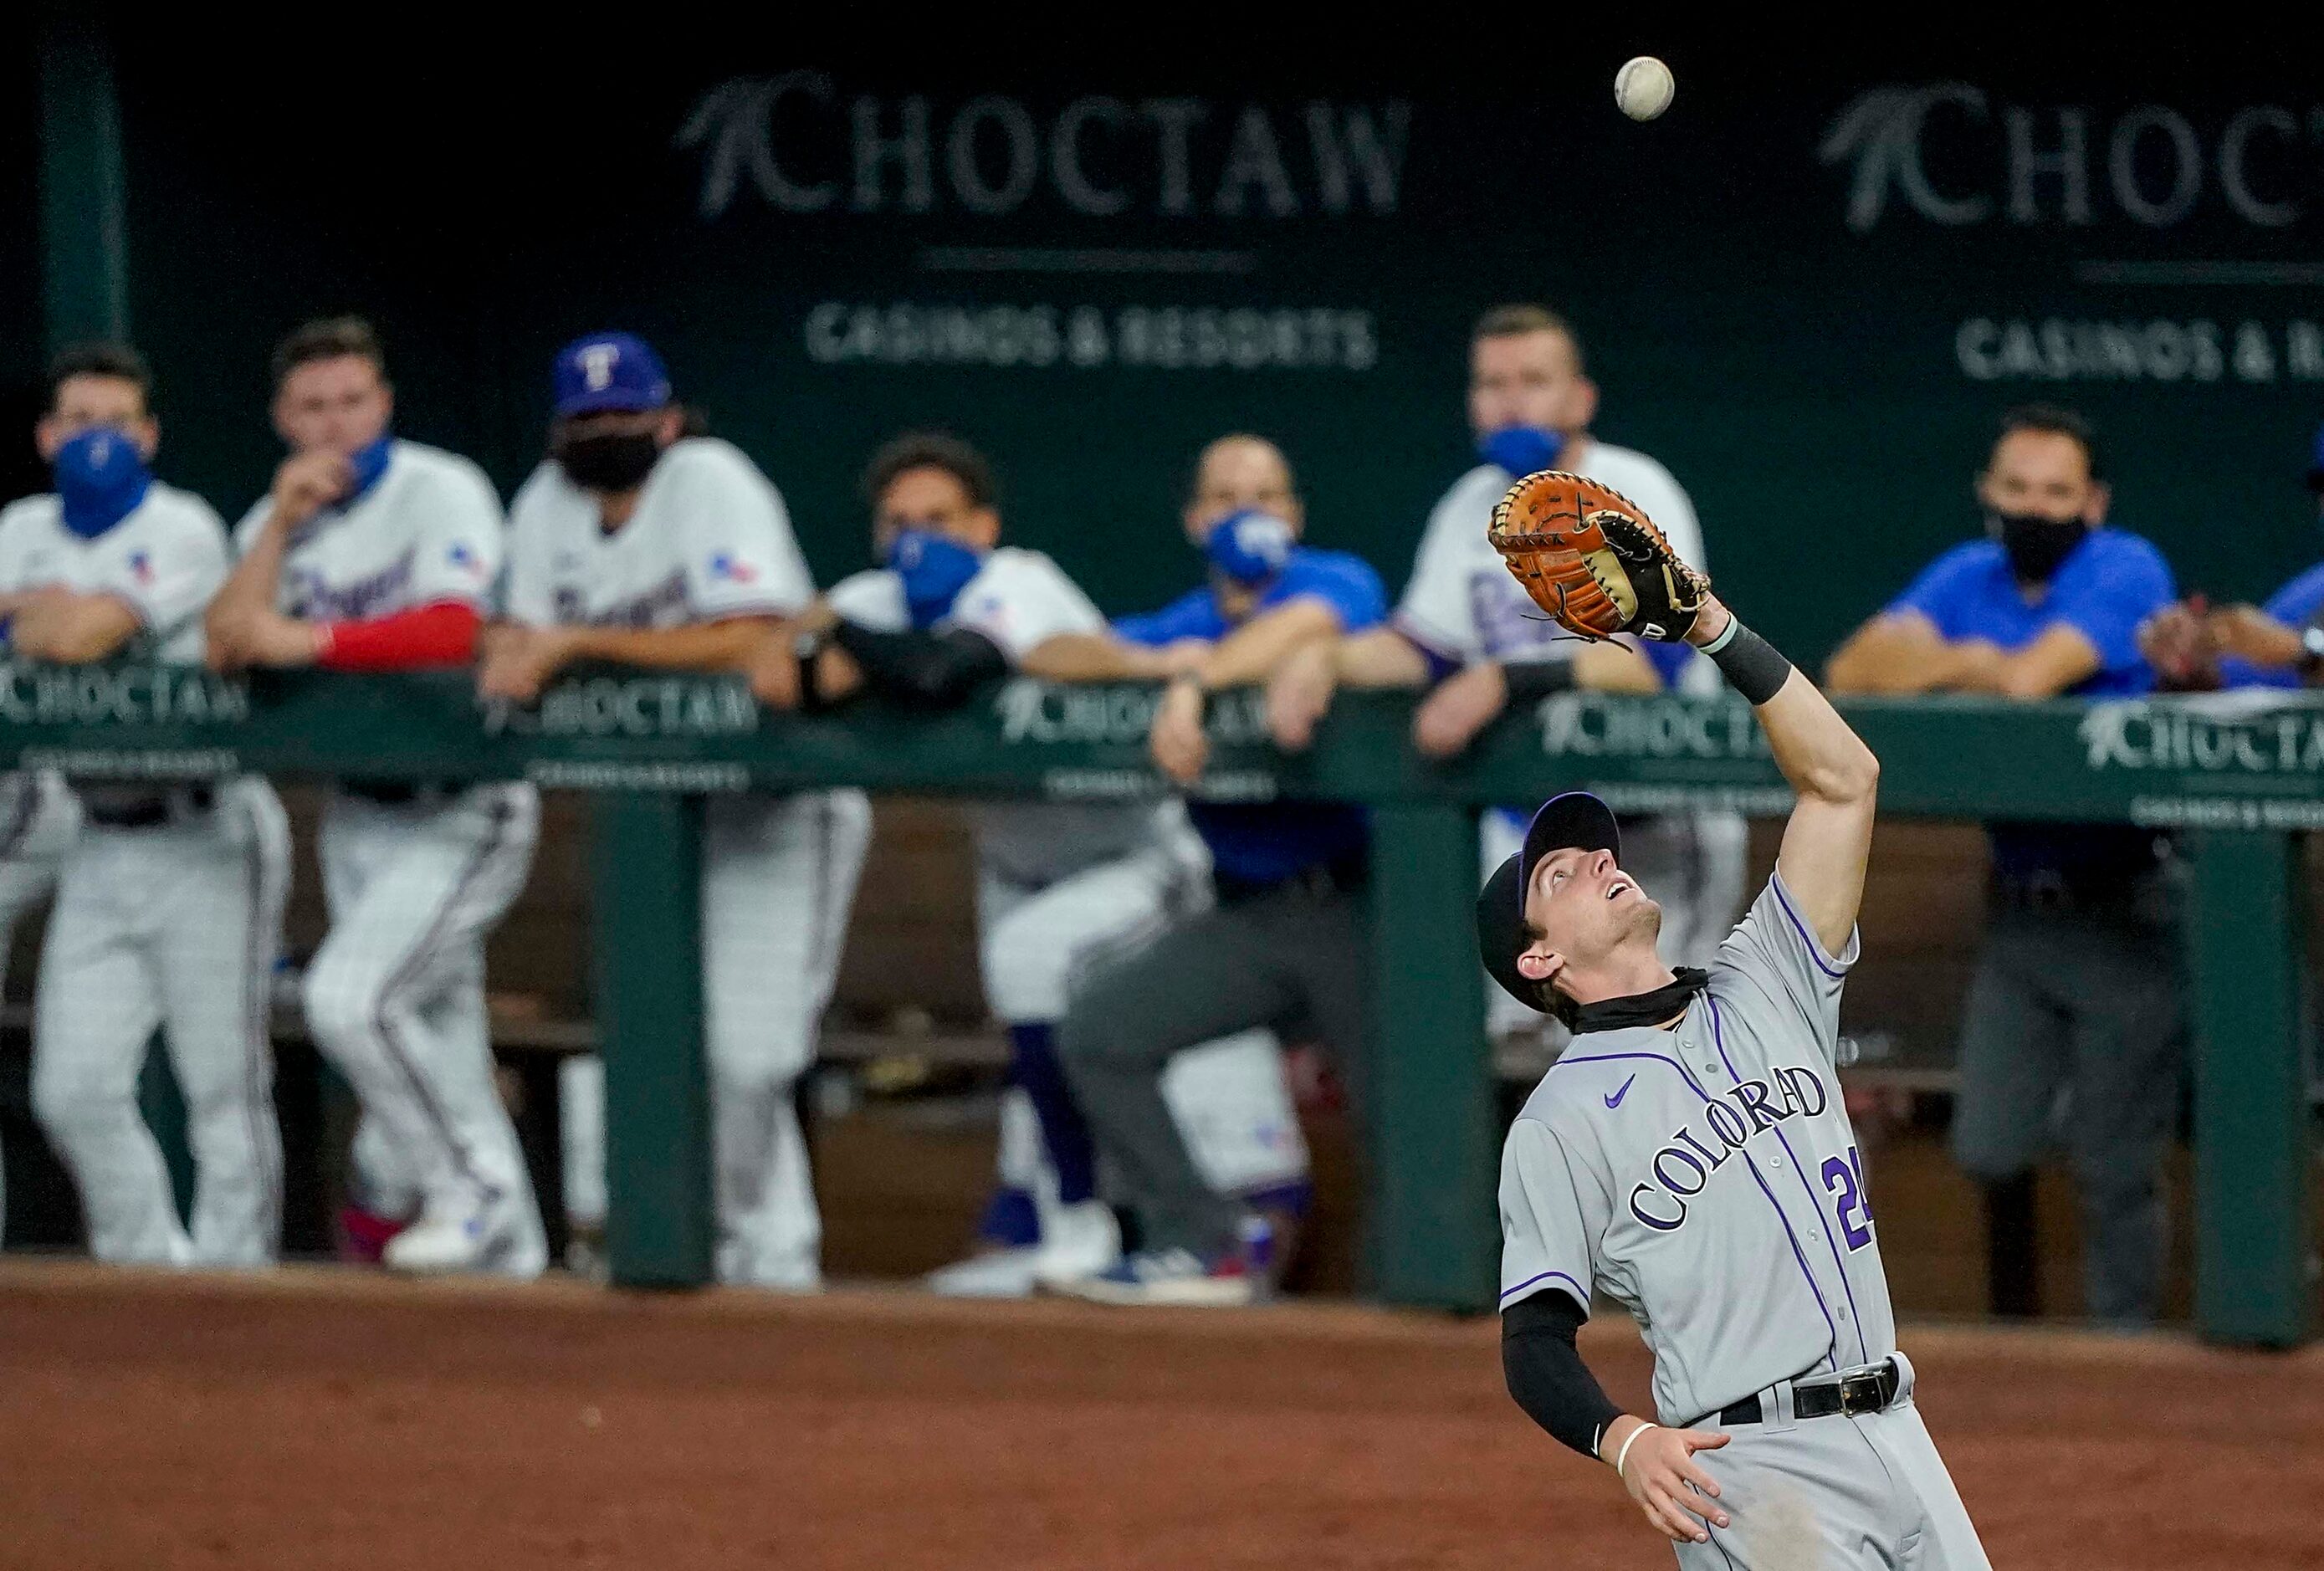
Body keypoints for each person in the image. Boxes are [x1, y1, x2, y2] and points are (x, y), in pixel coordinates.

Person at [1487, 589, 1991, 1568]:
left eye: (1597, 849)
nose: (1597, 858)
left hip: (1899, 1430)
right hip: (1753, 1470)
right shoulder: (1561, 1121)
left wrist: (1711, 628)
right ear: (1539, 961)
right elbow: (1534, 1339)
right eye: (1561, 877)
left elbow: (1845, 781)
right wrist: (1622, 1440)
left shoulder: (1770, 977)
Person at [753, 431, 1308, 1296]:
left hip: (1136, 851)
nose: (915, 541)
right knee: (1037, 1013)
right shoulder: (875, 599)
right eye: (896, 522)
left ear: (983, 526)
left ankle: (1102, 1218)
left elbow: (940, 673)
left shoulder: (1021, 580)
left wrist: (841, 631)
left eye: (937, 520)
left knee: (1048, 977)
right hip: (1017, 864)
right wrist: (829, 638)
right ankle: (1074, 1224)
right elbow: (791, 685)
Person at [492, 330, 868, 1290]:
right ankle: (761, 1262)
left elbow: (752, 639)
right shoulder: (544, 506)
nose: (606, 430)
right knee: (675, 1051)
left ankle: (765, 1257)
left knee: (751, 1058)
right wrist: (525, 647)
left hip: (780, 807)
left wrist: (577, 642)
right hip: (659, 824)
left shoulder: (711, 479)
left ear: (666, 420)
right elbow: (520, 641)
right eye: (587, 419)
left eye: (625, 415)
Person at [1267, 303, 1743, 1041]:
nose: (1510, 399)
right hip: (1536, 826)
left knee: (1662, 1044)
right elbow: (1419, 647)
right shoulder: (1468, 506)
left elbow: (1648, 667)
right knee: (1513, 1041)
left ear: (1580, 398)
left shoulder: (1632, 487)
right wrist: (1322, 657)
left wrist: (1503, 680)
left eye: (1532, 380)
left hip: (1653, 819)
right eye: (1492, 383)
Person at [207, 316, 546, 1277]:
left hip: (465, 801)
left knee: (350, 1000)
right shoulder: (270, 520)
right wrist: (276, 528)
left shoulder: (442, 488)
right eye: (314, 407)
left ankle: (470, 1191)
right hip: (360, 815)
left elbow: (457, 628)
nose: (336, 423)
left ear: (384, 403)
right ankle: (514, 1259)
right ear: (283, 418)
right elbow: (227, 642)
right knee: (436, 1033)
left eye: (353, 401)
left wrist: (312, 643)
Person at [1825, 404, 2179, 1325]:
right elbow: (1849, 670)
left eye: (2057, 491)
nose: (2034, 507)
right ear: (1988, 491)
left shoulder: (2126, 564)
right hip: (2021, 911)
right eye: (2017, 487)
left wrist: (1939, 660)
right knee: (1987, 1146)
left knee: (2113, 1162)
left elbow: (2030, 682)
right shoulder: (1965, 574)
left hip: (2129, 904)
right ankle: (2020, 1348)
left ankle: (2124, 1355)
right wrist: (1975, 654)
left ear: (2092, 502)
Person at [1047, 435, 1389, 1306]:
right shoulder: (1184, 622)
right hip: (1249, 915)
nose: (1252, 512)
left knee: (1402, 1124)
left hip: (1363, 906)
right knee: (1100, 1030)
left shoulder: (1334, 581)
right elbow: (1055, 652)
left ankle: (1463, 1302)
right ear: (1199, 520)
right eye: (1230, 497)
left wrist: (1196, 685)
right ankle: (1203, 1242)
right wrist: (1153, 664)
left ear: (1295, 514)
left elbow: (1304, 626)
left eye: (1269, 494)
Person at [3, 342, 289, 1266]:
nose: (100, 439)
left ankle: (236, 1286)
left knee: (221, 1089)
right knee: (72, 1089)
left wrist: (26, 616)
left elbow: (85, 634)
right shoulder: (20, 526)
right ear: (48, 436)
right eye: (81, 422)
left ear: (151, 435)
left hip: (207, 830)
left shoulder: (185, 527)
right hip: (100, 836)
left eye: (118, 421)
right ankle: (148, 1271)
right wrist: (33, 617)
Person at [2140, 419, 2324, 690]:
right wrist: (2191, 658)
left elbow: (2296, 652)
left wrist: (2304, 653)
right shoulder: (2307, 597)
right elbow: (2233, 687)